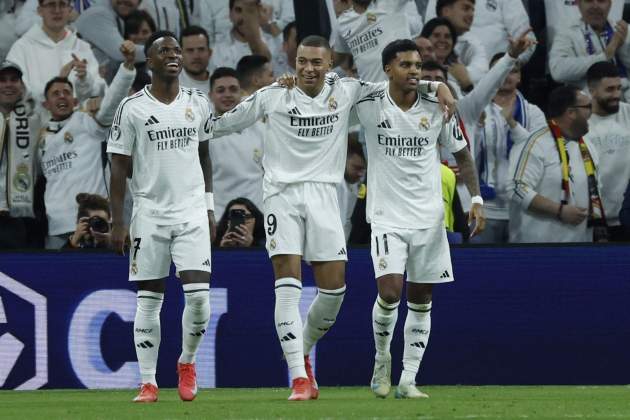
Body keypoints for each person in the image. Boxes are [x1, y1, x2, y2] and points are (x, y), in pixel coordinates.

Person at [208, 35, 454, 401]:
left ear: (329, 65)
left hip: (324, 196)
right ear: (294, 62)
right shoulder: (273, 95)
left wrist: (439, 85)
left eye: (316, 62)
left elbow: (398, 82)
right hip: (281, 196)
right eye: (302, 61)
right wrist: (185, 127)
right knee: (287, 284)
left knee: (334, 293)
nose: (308, 68)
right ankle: (298, 377)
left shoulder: (348, 91)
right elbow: (222, 124)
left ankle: (302, 348)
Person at [353, 39, 484, 399]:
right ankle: (382, 360)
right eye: (405, 65)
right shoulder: (368, 102)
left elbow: (463, 154)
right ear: (387, 70)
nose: (413, 70)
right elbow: (331, 92)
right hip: (386, 217)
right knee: (390, 292)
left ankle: (409, 379)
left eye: (417, 65)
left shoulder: (437, 107)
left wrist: (475, 198)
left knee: (422, 299)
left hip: (428, 218)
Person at [107, 30, 215, 403]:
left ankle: (186, 361)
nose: (173, 55)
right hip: (149, 214)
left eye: (176, 50)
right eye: (163, 51)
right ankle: (148, 382)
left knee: (200, 300)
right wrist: (118, 221)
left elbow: (204, 157)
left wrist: (209, 205)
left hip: (191, 213)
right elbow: (118, 168)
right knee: (149, 300)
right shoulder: (131, 107)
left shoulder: (198, 103)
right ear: (149, 61)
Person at [38, 41, 136, 249]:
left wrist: (127, 69)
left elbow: (110, 103)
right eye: (55, 94)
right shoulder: (40, 137)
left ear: (75, 102)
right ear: (45, 105)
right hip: (57, 227)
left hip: (95, 221)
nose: (62, 96)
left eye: (66, 92)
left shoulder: (86, 122)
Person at [508, 85, 605, 243]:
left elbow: (596, 193)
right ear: (571, 113)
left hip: (580, 247)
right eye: (587, 107)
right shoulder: (536, 142)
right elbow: (517, 189)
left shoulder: (588, 146)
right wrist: (559, 210)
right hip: (538, 247)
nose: (592, 112)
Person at [474, 52, 546, 243]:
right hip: (485, 208)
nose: (506, 75)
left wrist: (512, 124)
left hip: (523, 209)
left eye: (512, 71)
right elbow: (466, 154)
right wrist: (476, 128)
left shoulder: (533, 112)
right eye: (501, 70)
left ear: (520, 77)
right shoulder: (475, 109)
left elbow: (540, 153)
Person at [6, 0, 104, 103]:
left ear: (69, 10)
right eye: (51, 4)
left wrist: (85, 80)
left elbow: (99, 91)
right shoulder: (21, 48)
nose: (57, 11)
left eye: (62, 4)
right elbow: (14, 95)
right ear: (40, 11)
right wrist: (58, 82)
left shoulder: (82, 47)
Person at [208, 67, 265, 219]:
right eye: (221, 90)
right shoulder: (203, 136)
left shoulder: (261, 130)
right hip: (220, 220)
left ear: (241, 93)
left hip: (258, 218)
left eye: (233, 89)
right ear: (211, 96)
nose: (227, 95)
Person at [0, 60, 44, 249]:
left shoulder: (35, 116)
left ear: (22, 85)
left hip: (19, 215)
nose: (8, 84)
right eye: (2, 80)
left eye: (14, 79)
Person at [585, 61, 630, 241]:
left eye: (619, 88)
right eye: (610, 89)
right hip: (592, 220)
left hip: (627, 217)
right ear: (592, 90)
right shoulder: (580, 120)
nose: (616, 94)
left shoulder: (628, 113)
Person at [549, 0, 630, 101]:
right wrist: (604, 57)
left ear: (610, 3)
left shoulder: (623, 31)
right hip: (588, 107)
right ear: (578, 4)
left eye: (601, 1)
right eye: (589, 0)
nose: (595, 6)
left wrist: (621, 49)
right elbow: (558, 70)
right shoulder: (567, 33)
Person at [333, 0, 423, 82]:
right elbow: (338, 56)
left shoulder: (391, 3)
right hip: (372, 93)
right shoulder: (342, 24)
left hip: (404, 87)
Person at [75, 0, 146, 81]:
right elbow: (122, 52)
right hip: (74, 86)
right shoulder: (99, 13)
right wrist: (158, 50)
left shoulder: (116, 15)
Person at [207, 0, 275, 74]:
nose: (244, 16)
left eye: (250, 11)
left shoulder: (274, 43)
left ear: (259, 13)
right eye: (238, 10)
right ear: (230, 14)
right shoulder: (217, 51)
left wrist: (253, 33)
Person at [337, 134, 366, 241]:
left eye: (363, 169)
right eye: (356, 168)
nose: (360, 174)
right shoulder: (334, 187)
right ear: (343, 160)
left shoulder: (356, 186)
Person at [179, 25, 212, 95]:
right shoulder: (170, 84)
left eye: (201, 49)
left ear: (210, 53)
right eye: (190, 50)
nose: (196, 56)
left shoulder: (221, 84)